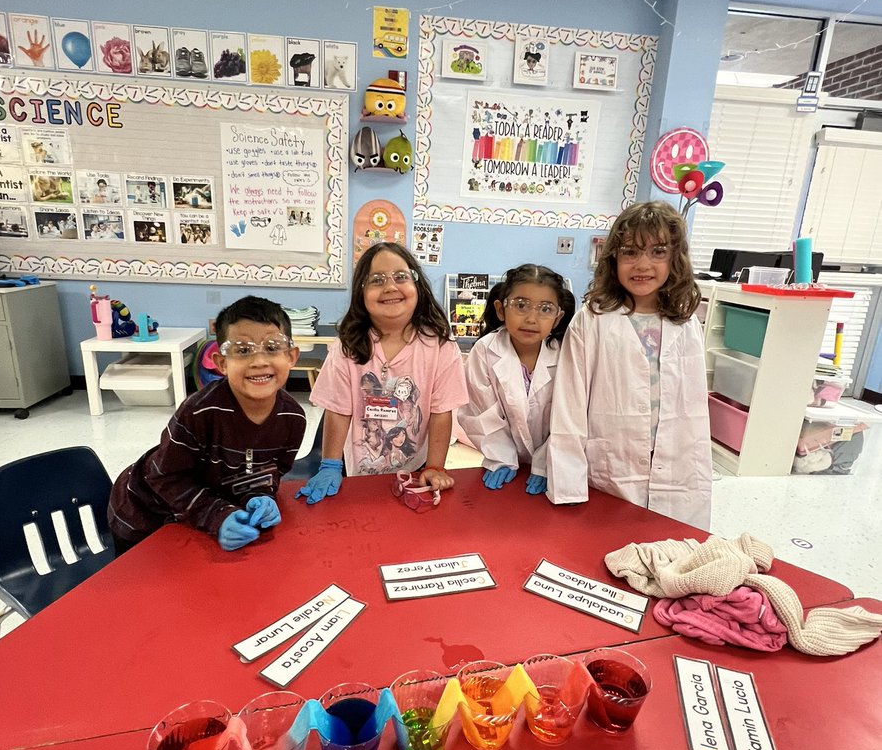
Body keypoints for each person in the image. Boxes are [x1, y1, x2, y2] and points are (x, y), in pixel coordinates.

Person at [547, 200, 712, 528]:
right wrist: (567, 484)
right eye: (630, 252)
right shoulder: (593, 320)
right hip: (613, 467)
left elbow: (693, 410)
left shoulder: (685, 323)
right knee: (604, 549)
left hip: (675, 466)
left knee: (669, 555)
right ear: (614, 259)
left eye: (658, 252)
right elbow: (570, 405)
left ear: (675, 258)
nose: (643, 264)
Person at [108, 296, 306, 553]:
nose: (259, 361)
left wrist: (261, 495)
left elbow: (267, 472)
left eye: (272, 347)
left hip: (197, 514)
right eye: (243, 350)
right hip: (145, 515)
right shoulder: (199, 411)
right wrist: (216, 514)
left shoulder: (293, 419)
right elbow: (164, 476)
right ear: (222, 363)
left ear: (291, 357)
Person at [297, 242, 468, 502]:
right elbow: (338, 410)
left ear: (417, 285)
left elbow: (440, 413)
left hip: (416, 468)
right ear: (361, 293)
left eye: (401, 277)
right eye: (377, 280)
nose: (390, 286)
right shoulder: (348, 346)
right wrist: (330, 464)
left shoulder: (441, 345)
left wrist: (435, 466)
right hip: (358, 472)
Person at [459, 264, 575, 495]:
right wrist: (501, 457)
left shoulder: (567, 353)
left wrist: (546, 462)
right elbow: (481, 413)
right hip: (502, 462)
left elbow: (570, 418)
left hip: (558, 461)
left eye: (545, 309)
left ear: (558, 317)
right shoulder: (485, 350)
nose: (532, 318)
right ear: (501, 310)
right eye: (521, 306)